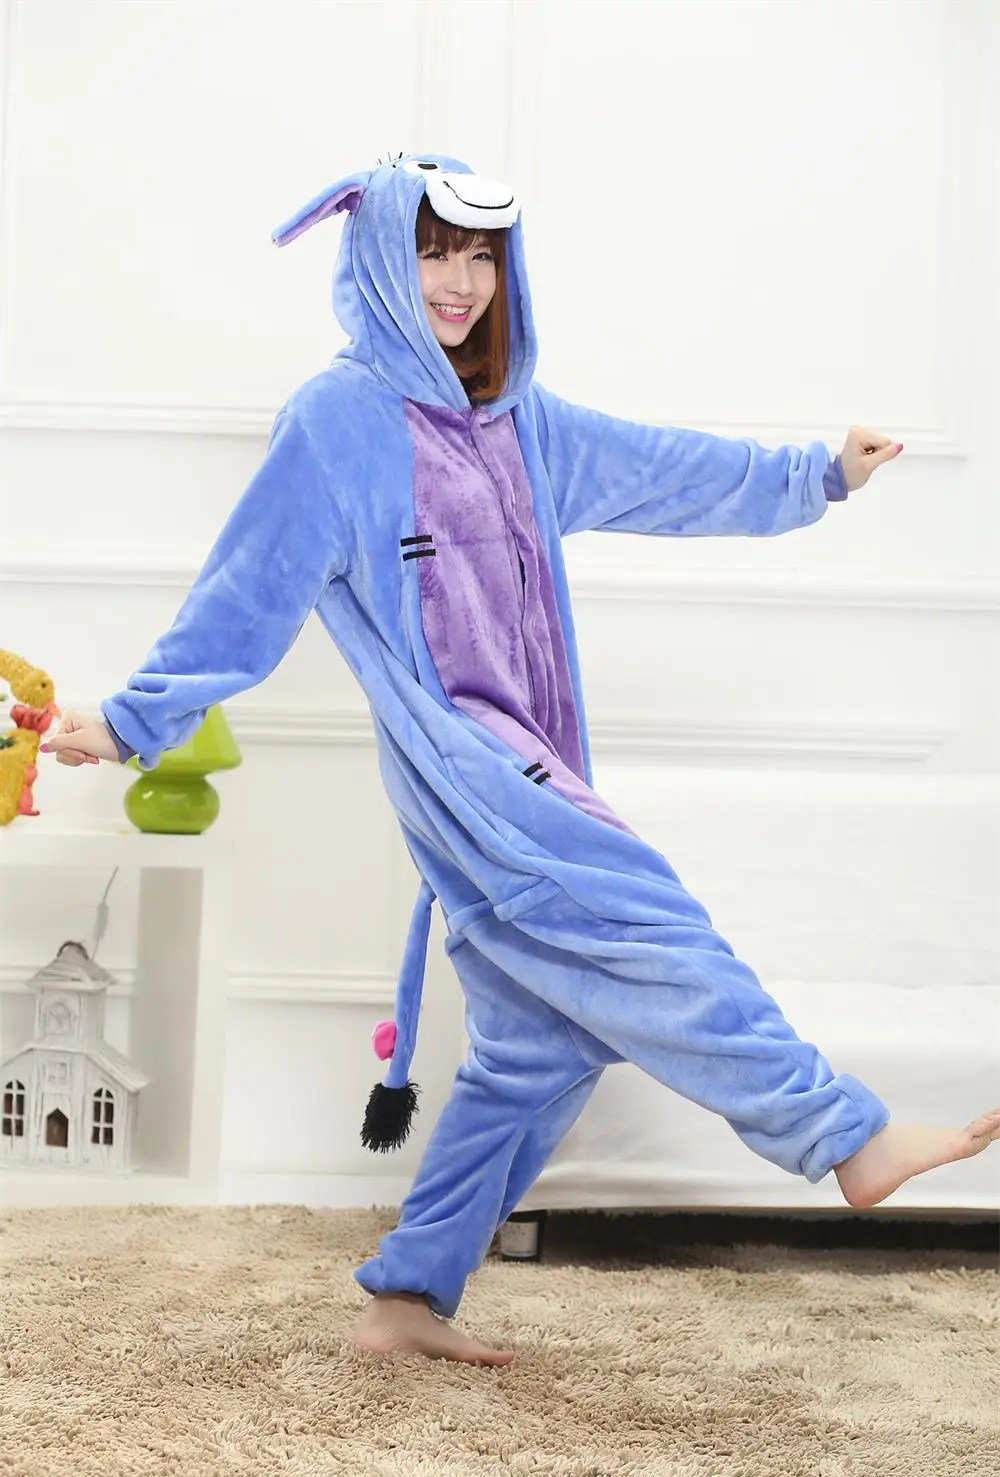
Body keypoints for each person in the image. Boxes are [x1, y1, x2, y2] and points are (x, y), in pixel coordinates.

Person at [43, 155, 999, 1368]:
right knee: (647, 918)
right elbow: (249, 588)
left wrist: (817, 474)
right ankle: (840, 1138)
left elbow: (661, 468)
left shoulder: (516, 417)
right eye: (432, 252)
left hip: (534, 757)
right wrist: (133, 721)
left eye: (479, 257)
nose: (457, 281)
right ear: (381, 258)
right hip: (469, 768)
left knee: (537, 1051)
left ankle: (406, 1298)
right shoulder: (337, 420)